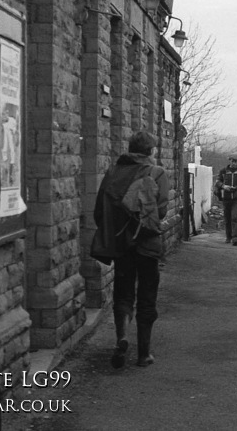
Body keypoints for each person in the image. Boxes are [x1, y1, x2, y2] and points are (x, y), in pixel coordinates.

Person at [93, 131, 169, 368]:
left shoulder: (113, 172)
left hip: (122, 244)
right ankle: (144, 353)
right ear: (151, 151)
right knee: (147, 295)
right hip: (147, 245)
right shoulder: (157, 173)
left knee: (123, 292)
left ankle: (122, 337)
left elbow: (99, 211)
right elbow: (162, 211)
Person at [215, 154, 237, 245]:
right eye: (232, 161)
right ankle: (228, 237)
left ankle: (235, 238)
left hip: (236, 198)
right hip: (226, 198)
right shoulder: (223, 171)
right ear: (230, 161)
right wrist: (224, 186)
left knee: (234, 217)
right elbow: (217, 182)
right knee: (227, 218)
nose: (234, 163)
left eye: (236, 161)